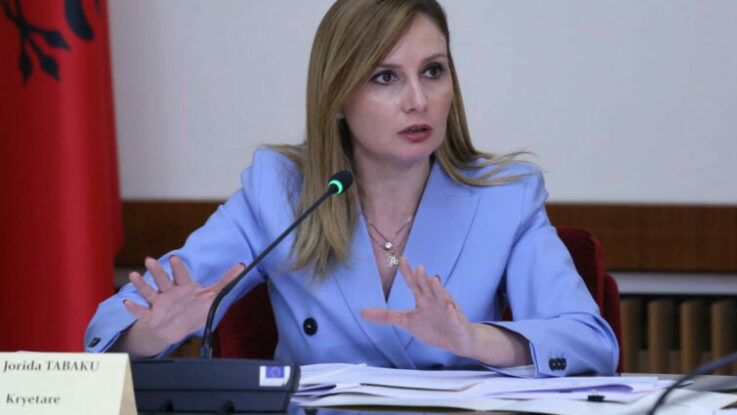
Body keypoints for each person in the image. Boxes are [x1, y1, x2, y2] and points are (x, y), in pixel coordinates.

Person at [85, 0, 619, 377]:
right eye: (385, 77)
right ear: (337, 95)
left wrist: (472, 339)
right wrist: (157, 332)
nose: (418, 100)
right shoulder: (281, 191)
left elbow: (589, 343)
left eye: (433, 71)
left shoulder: (504, 198)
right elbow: (110, 327)